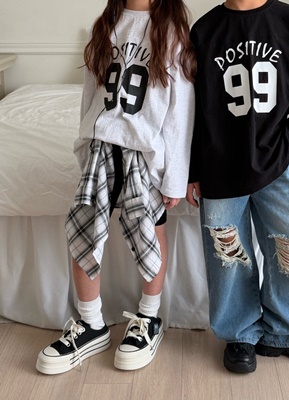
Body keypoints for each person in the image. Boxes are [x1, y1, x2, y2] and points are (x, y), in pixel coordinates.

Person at [36, 0, 195, 375]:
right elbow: (90, 95)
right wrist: (84, 146)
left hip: (144, 153)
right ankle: (91, 323)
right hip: (101, 147)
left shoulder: (171, 32)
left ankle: (148, 318)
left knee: (151, 230)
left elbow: (181, 110)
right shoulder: (105, 24)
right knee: (85, 231)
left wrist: (175, 176)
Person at [186, 0, 289, 373]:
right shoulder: (204, 30)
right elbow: (190, 111)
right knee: (227, 257)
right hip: (219, 168)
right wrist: (192, 171)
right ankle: (240, 334)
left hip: (277, 163)